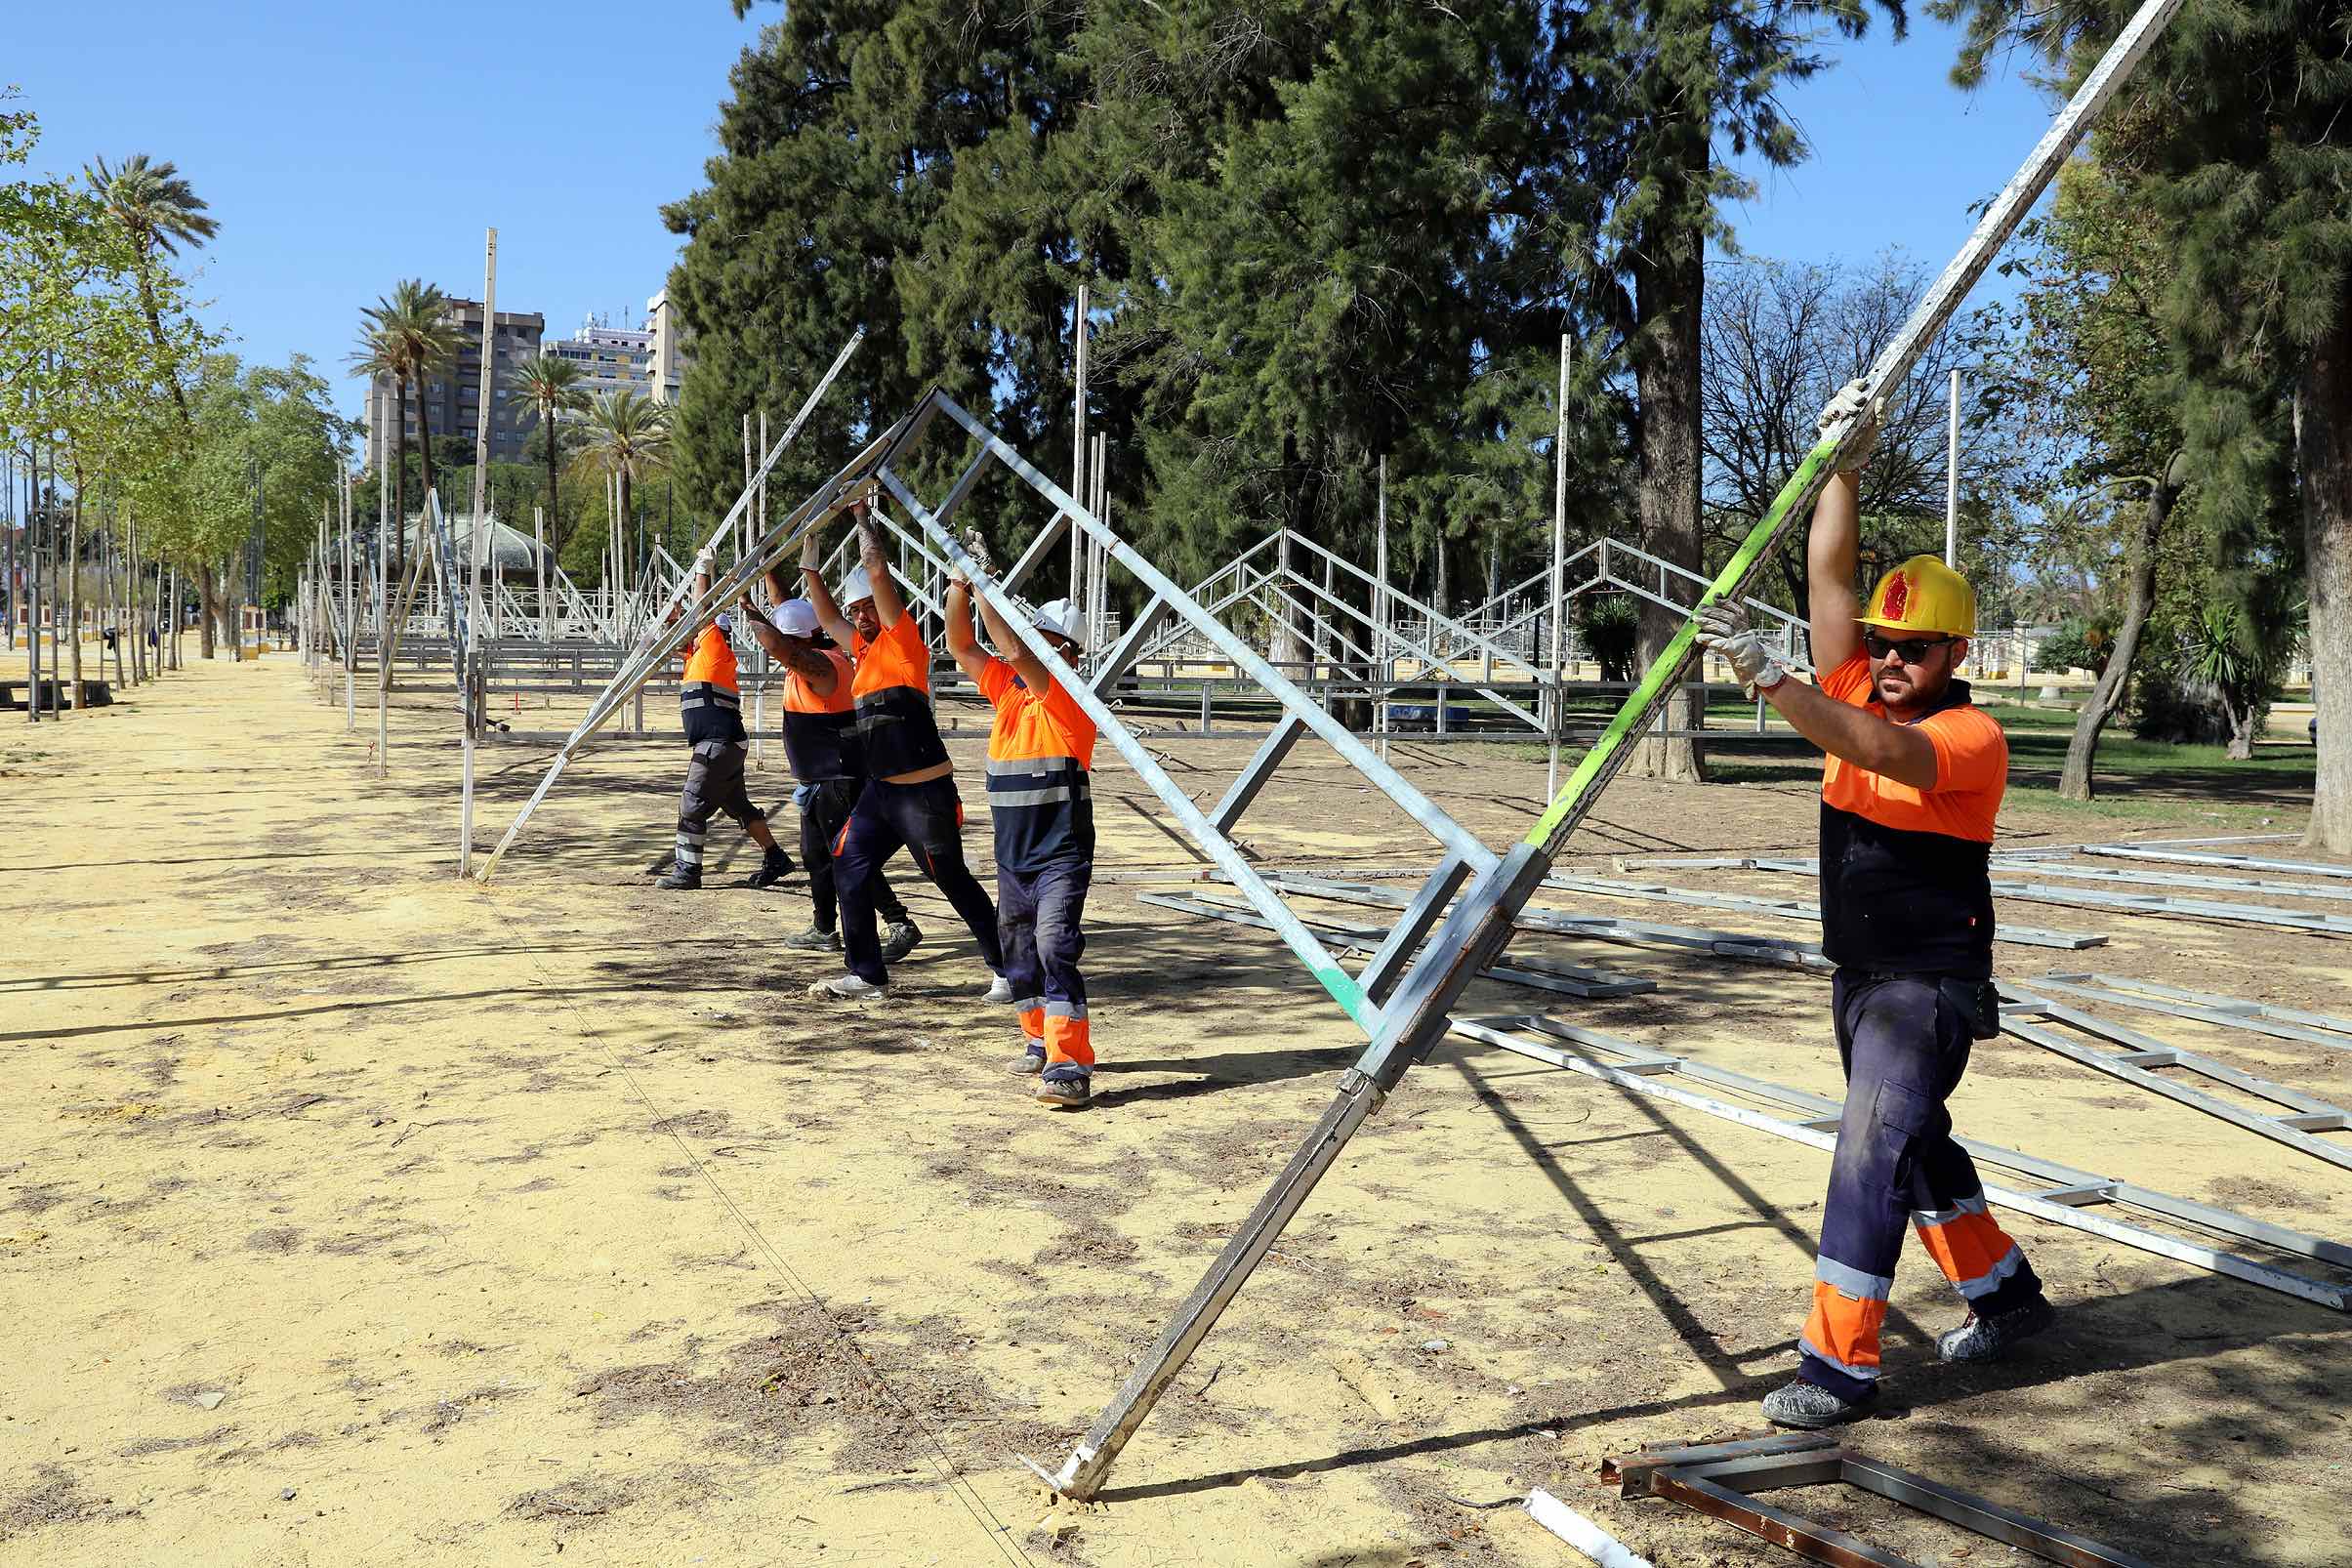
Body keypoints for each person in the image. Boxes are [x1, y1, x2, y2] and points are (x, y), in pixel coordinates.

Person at [1698, 379, 2053, 1430]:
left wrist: (1774, 684)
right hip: (1858, 978)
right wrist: (1842, 466)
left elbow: (1877, 749)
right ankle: (2008, 1296)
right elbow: (1828, 571)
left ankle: (1839, 1367)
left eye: (1917, 649)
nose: (1893, 661)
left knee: (1868, 1148)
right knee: (1915, 1142)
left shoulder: (1966, 737)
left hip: (1926, 988)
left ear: (1959, 656)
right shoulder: (1853, 679)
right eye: (1885, 644)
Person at [800, 499, 1007, 1002]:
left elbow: (876, 568)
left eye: (868, 606)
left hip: (923, 793)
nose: (861, 616)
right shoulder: (862, 653)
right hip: (882, 794)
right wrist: (809, 566)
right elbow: (825, 615)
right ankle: (867, 973)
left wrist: (861, 517)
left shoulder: (903, 641)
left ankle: (1006, 967)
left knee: (950, 877)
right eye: (857, 611)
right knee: (847, 864)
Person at [944, 534, 1099, 1109]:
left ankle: (1070, 1062)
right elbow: (962, 641)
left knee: (1055, 944)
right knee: (1018, 951)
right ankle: (1038, 1038)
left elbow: (1010, 648)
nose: (1032, 647)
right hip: (1014, 853)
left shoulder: (1069, 695)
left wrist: (984, 582)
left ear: (1067, 652)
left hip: (1059, 850)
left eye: (1046, 641)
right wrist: (960, 583)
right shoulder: (1011, 696)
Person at [738, 579, 923, 961]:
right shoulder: (814, 653)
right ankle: (824, 928)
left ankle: (899, 921)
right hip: (819, 781)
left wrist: (745, 607)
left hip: (838, 779)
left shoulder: (824, 666)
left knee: (849, 857)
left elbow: (775, 642)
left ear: (801, 641)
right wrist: (763, 577)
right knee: (815, 855)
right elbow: (785, 612)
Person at [653, 552, 795, 892]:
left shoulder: (715, 648)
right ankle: (775, 856)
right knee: (739, 806)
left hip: (717, 745)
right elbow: (669, 642)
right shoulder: (698, 655)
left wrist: (703, 571)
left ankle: (688, 871)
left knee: (692, 804)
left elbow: (703, 611)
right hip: (726, 744)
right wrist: (671, 619)